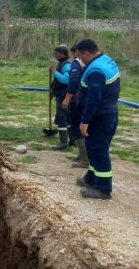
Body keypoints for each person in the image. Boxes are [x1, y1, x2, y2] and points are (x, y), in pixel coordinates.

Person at [74, 38, 120, 200]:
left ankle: (103, 189)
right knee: (94, 149)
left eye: (80, 56)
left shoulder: (96, 71)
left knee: (99, 151)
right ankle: (91, 178)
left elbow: (94, 99)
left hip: (99, 117)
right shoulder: (106, 60)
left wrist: (85, 121)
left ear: (87, 53)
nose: (80, 60)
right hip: (108, 113)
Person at [62, 44, 88, 168]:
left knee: (76, 129)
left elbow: (73, 81)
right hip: (85, 99)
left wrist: (67, 99)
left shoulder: (77, 63)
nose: (73, 56)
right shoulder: (91, 62)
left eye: (74, 53)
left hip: (76, 100)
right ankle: (83, 155)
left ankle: (85, 159)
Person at [49, 45, 72, 149]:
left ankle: (64, 142)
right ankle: (72, 140)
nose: (54, 55)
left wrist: (55, 72)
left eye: (56, 53)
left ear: (62, 54)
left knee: (62, 117)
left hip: (64, 95)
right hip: (60, 93)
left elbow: (66, 80)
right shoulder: (62, 63)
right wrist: (52, 90)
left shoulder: (66, 65)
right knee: (67, 117)